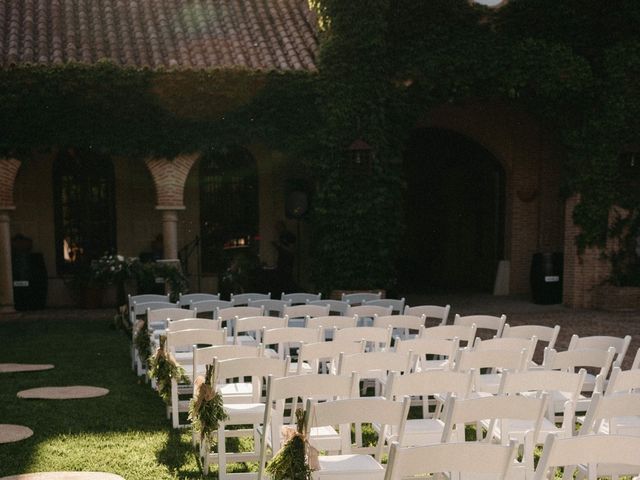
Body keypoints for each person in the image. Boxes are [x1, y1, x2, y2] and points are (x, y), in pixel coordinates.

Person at [272, 220, 296, 292]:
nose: (277, 230)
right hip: (281, 261)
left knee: (287, 279)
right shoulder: (281, 236)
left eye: (278, 228)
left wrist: (280, 246)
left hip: (287, 261)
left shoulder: (289, 236)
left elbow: (292, 249)